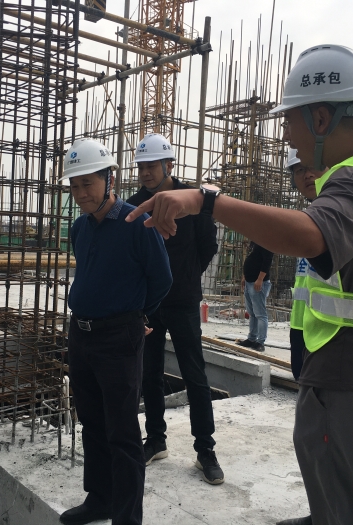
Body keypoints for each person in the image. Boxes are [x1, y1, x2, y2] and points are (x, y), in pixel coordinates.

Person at [125, 45, 353, 525]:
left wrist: (208, 201)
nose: (285, 135)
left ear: (321, 118)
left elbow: (309, 235)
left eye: (289, 121)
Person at [60, 138, 172, 525]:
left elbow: (162, 279)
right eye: (74, 186)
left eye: (87, 184)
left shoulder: (137, 223)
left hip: (118, 337)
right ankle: (101, 499)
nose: (80, 194)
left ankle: (127, 518)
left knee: (122, 432)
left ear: (110, 179)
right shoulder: (80, 228)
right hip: (82, 334)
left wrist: (138, 315)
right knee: (92, 422)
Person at [126, 133, 223, 485]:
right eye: (141, 166)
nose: (145, 172)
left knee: (195, 374)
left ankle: (205, 450)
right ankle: (156, 440)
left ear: (169, 164)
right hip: (148, 305)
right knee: (149, 373)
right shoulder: (135, 205)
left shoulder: (191, 200)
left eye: (152, 166)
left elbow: (208, 245)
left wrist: (185, 277)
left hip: (183, 302)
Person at [287, 148, 326, 380]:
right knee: (301, 380)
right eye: (300, 170)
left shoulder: (341, 213)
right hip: (301, 321)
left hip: (328, 328)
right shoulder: (307, 216)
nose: (308, 174)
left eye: (313, 166)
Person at [238, 240, 274, 352]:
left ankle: (260, 341)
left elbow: (267, 261)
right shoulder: (256, 240)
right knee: (252, 313)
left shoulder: (267, 241)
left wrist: (260, 279)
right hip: (249, 281)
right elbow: (253, 258)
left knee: (260, 314)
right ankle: (252, 338)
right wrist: (245, 276)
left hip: (258, 282)